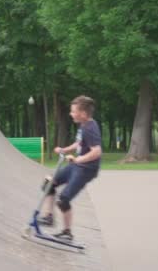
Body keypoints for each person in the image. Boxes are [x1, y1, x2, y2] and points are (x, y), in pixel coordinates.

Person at [38, 96, 102, 241]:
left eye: (73, 111)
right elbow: (78, 144)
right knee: (48, 183)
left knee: (64, 199)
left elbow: (97, 151)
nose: (71, 114)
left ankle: (67, 232)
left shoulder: (90, 128)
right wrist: (64, 150)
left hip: (86, 169)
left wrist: (79, 159)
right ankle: (48, 217)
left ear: (83, 114)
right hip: (77, 166)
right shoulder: (83, 125)